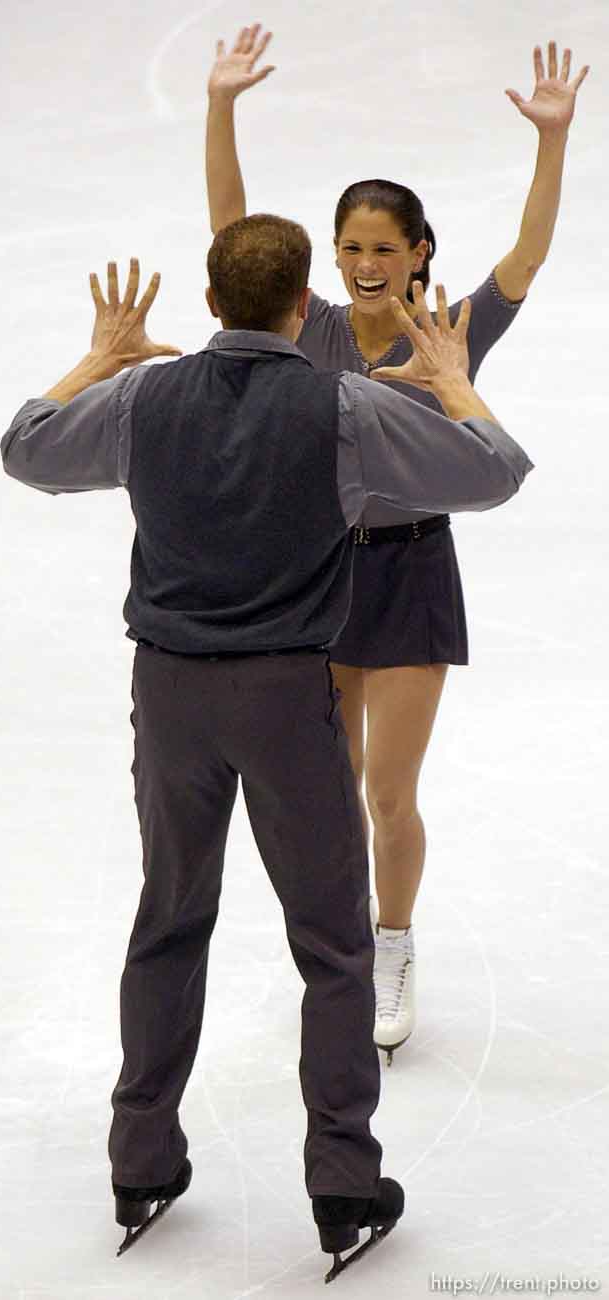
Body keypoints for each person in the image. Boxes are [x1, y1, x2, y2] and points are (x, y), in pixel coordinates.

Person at [0, 223, 532, 1279]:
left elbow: (25, 447)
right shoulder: (340, 403)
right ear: (304, 307)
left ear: (209, 296)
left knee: (167, 920)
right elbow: (494, 471)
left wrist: (95, 359)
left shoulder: (144, 399)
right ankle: (341, 1183)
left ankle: (139, 1157)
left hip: (172, 695)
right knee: (334, 947)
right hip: (289, 699)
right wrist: (455, 382)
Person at [205, 27, 589, 1059]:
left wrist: (550, 141)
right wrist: (221, 105)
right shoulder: (306, 328)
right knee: (325, 789)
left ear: (416, 253)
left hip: (412, 571)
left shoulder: (446, 333)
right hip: (320, 576)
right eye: (350, 247)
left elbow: (528, 256)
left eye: (385, 246)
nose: (366, 262)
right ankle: (334, 954)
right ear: (330, 258)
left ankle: (390, 944)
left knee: (386, 791)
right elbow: (232, 229)